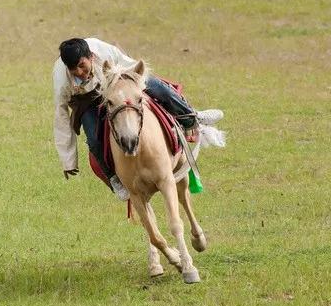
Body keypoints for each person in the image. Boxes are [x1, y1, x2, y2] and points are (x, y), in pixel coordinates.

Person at [52, 37, 221, 201]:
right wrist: (68, 160)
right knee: (94, 140)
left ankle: (192, 117)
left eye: (82, 65)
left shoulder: (104, 51)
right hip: (86, 102)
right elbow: (61, 116)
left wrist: (137, 87)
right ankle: (114, 179)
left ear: (91, 57)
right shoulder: (61, 80)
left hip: (115, 82)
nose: (80, 73)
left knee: (157, 87)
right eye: (74, 70)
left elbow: (132, 67)